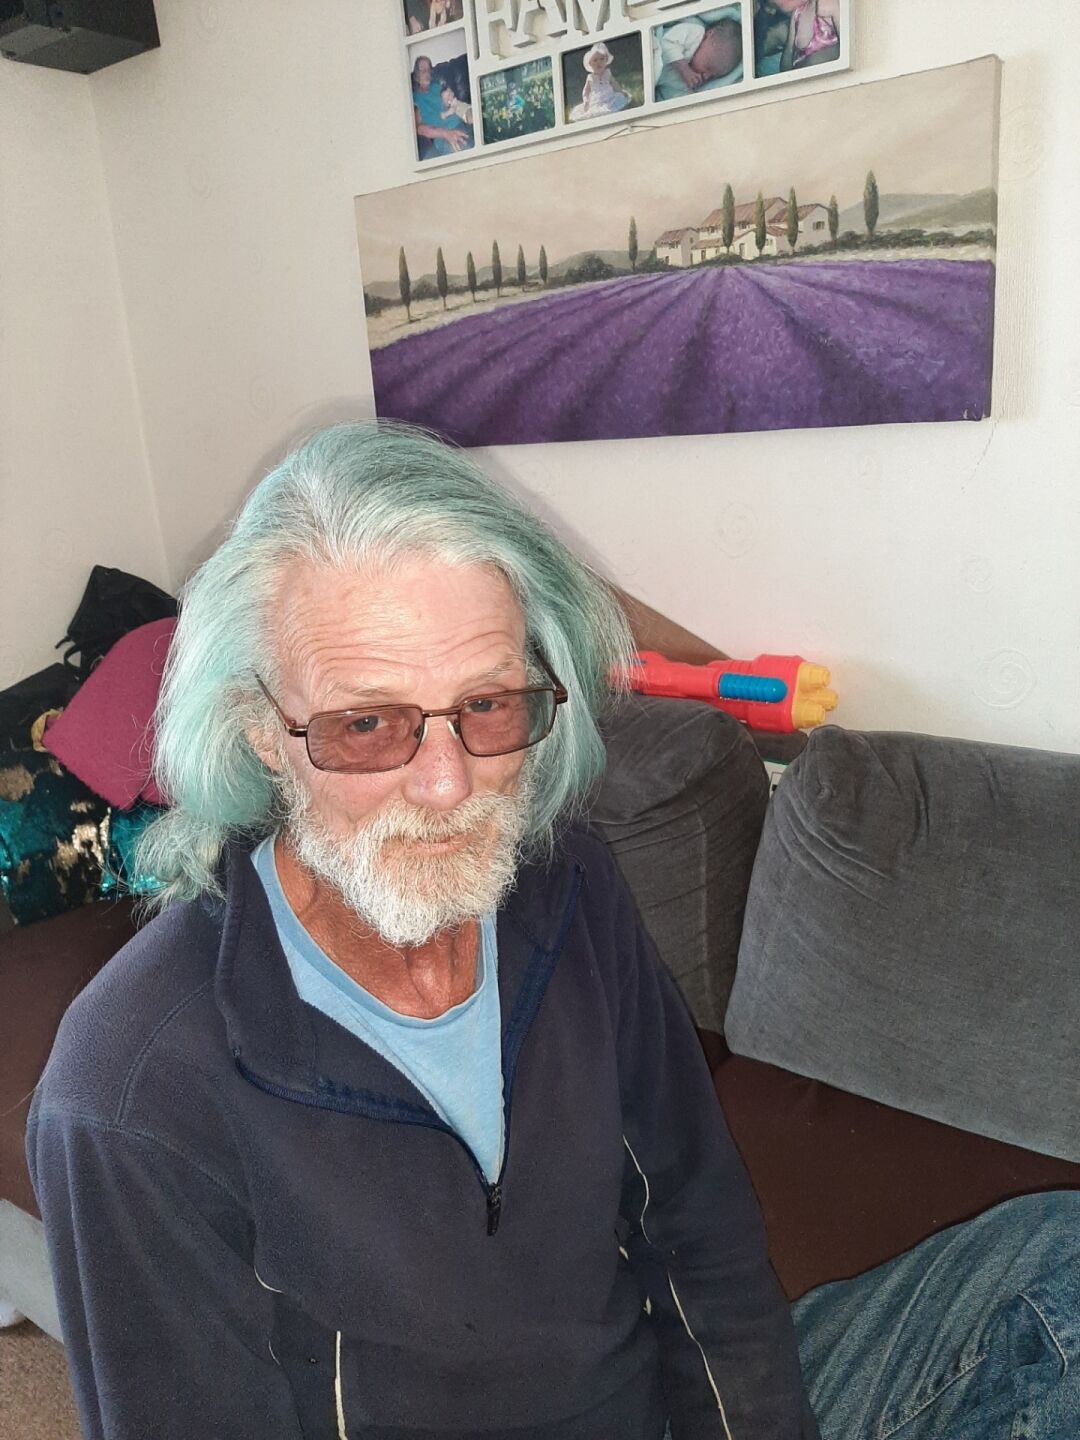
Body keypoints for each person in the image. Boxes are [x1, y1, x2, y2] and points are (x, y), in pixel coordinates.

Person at [26, 424, 1080, 1440]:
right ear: (262, 730)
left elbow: (695, 1226)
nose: (450, 786)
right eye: (368, 724)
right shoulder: (127, 1096)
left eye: (488, 704)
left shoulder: (564, 882)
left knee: (1057, 1261)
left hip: (651, 1403)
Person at [652, 10, 743, 102]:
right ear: (709, 34)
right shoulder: (695, 33)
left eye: (712, 76)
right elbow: (667, 42)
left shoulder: (685, 83)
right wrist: (684, 69)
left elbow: (670, 95)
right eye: (708, 66)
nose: (706, 76)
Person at [412, 54, 472, 159]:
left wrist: (452, 100)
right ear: (416, 75)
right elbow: (420, 129)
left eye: (428, 69)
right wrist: (446, 134)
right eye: (422, 69)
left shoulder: (436, 86)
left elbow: (452, 102)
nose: (427, 72)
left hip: (461, 123)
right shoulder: (414, 98)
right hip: (444, 136)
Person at [569, 41, 630, 122]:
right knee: (595, 110)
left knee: (619, 99)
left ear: (606, 60)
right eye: (595, 60)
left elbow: (614, 84)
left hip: (609, 96)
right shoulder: (590, 77)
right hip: (597, 98)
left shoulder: (607, 74)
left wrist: (620, 92)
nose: (599, 62)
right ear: (590, 64)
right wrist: (586, 100)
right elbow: (586, 91)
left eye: (602, 59)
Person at [775, 0, 841, 69]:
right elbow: (788, 51)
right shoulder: (797, 12)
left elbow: (847, 51)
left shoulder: (833, 6)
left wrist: (836, 12)